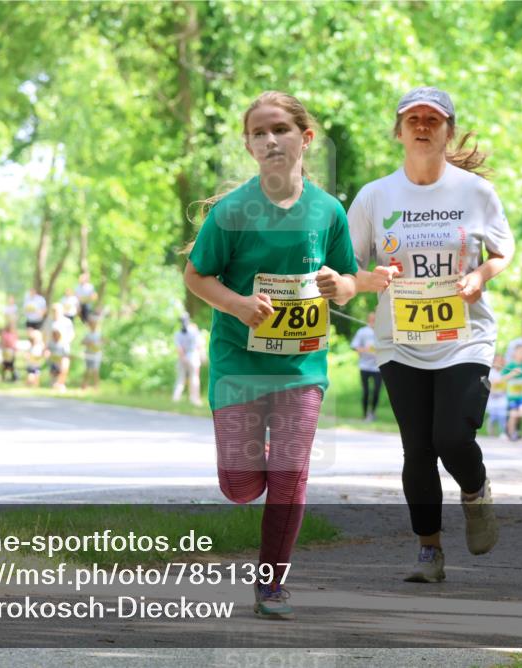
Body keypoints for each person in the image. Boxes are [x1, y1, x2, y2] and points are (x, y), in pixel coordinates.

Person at [184, 91, 363, 619]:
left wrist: (340, 284)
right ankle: (256, 468)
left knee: (291, 476)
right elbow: (196, 276)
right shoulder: (234, 211)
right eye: (259, 133)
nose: (269, 139)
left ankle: (271, 584)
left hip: (300, 367)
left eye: (280, 129)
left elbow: (349, 279)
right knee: (241, 486)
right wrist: (239, 305)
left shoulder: (328, 210)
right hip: (239, 363)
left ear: (305, 138)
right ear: (248, 146)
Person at [348, 86, 514, 584]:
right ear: (399, 132)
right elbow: (350, 268)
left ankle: (476, 489)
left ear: (448, 131)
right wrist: (364, 281)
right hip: (400, 339)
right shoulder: (375, 196)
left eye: (433, 119)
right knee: (417, 447)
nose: (422, 125)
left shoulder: (475, 193)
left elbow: (502, 251)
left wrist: (479, 277)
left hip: (465, 335)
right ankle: (429, 551)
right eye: (412, 118)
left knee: (452, 438)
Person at [351, 312, 383, 421]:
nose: (373, 321)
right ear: (368, 319)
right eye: (372, 319)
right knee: (366, 391)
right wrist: (366, 350)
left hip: (378, 367)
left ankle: (372, 413)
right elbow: (354, 346)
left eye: (375, 319)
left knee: (376, 391)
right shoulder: (362, 331)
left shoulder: (382, 332)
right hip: (364, 366)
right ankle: (365, 415)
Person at [173, 313, 204, 407]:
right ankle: (194, 398)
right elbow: (199, 345)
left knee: (180, 378)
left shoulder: (178, 333)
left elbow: (179, 348)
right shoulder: (194, 331)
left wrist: (183, 357)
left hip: (183, 357)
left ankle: (176, 398)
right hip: (193, 356)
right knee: (194, 377)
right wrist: (202, 356)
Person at [502, 345, 522, 441]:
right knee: (513, 414)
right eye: (520, 352)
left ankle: (511, 427)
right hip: (512, 396)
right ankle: (511, 434)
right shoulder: (510, 365)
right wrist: (513, 373)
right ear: (515, 353)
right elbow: (502, 378)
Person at [485, 354, 508, 438]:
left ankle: (503, 433)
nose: (499, 362)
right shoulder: (490, 372)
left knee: (502, 416)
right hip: (492, 398)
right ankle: (491, 433)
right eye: (497, 360)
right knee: (493, 417)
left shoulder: (504, 372)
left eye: (500, 360)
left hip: (502, 397)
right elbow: (489, 384)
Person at [81, 315, 104, 390]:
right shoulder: (88, 334)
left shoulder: (99, 334)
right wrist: (88, 343)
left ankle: (96, 386)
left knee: (95, 370)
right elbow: (82, 342)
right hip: (88, 354)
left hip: (96, 354)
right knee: (88, 370)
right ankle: (84, 385)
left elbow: (104, 341)